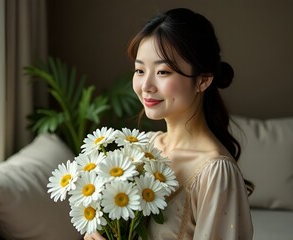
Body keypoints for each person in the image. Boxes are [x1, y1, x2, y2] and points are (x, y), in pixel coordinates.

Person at [85, 7, 254, 240]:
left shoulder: (215, 172)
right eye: (140, 70)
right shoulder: (145, 148)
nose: (146, 86)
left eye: (163, 72)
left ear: (203, 79)